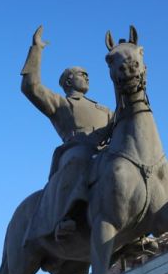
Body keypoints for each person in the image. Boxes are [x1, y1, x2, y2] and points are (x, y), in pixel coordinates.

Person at [21, 25, 113, 243]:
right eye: (81, 74)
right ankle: (67, 215)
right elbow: (30, 87)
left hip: (104, 150)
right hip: (76, 148)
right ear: (69, 81)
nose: (87, 77)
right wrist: (36, 50)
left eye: (87, 74)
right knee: (80, 159)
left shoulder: (104, 109)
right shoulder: (60, 104)